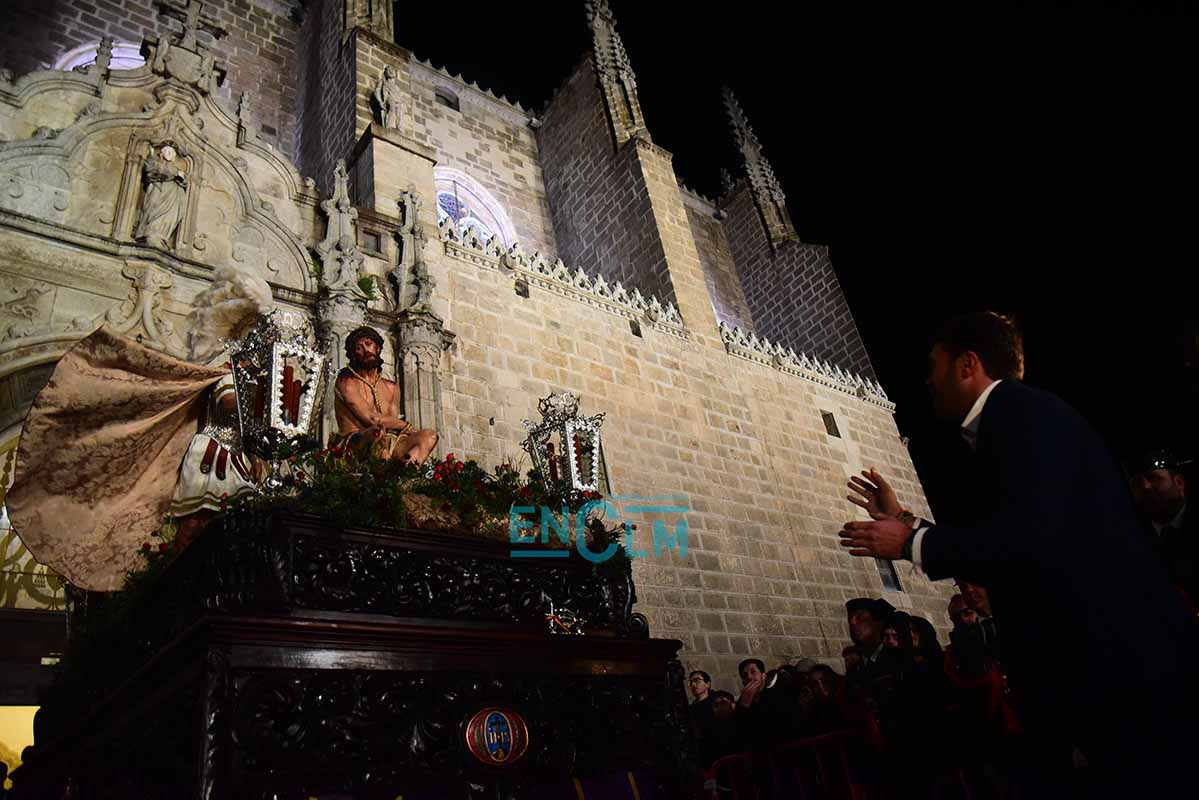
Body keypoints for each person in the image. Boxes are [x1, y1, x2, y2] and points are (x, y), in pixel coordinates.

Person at [839, 311, 1197, 796]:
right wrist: (905, 518)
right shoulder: (1013, 420)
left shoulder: (1019, 415)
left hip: (1119, 675)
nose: (928, 378)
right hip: (1106, 676)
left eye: (935, 364)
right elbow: (1010, 536)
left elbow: (1028, 539)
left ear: (968, 365)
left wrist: (910, 543)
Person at [333, 326, 438, 465]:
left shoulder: (392, 387)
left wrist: (410, 434)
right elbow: (372, 419)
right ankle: (387, 475)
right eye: (359, 348)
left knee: (429, 437)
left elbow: (392, 423)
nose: (366, 350)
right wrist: (408, 427)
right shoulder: (346, 382)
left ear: (377, 348)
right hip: (357, 442)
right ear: (354, 354)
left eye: (369, 344)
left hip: (388, 440)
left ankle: (406, 474)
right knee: (377, 433)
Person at [1127, 448, 1197, 606]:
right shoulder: (1132, 538)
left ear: (1179, 483)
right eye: (1137, 483)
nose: (1145, 487)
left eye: (1154, 478)